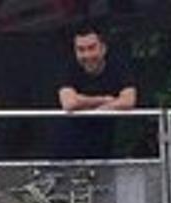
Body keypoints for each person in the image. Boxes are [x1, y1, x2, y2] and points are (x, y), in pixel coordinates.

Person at [54, 26, 136, 161]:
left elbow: (129, 100)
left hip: (107, 144)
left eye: (92, 48)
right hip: (69, 146)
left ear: (103, 48)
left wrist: (90, 106)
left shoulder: (118, 66)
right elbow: (69, 103)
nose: (87, 55)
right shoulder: (68, 68)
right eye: (81, 50)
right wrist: (104, 100)